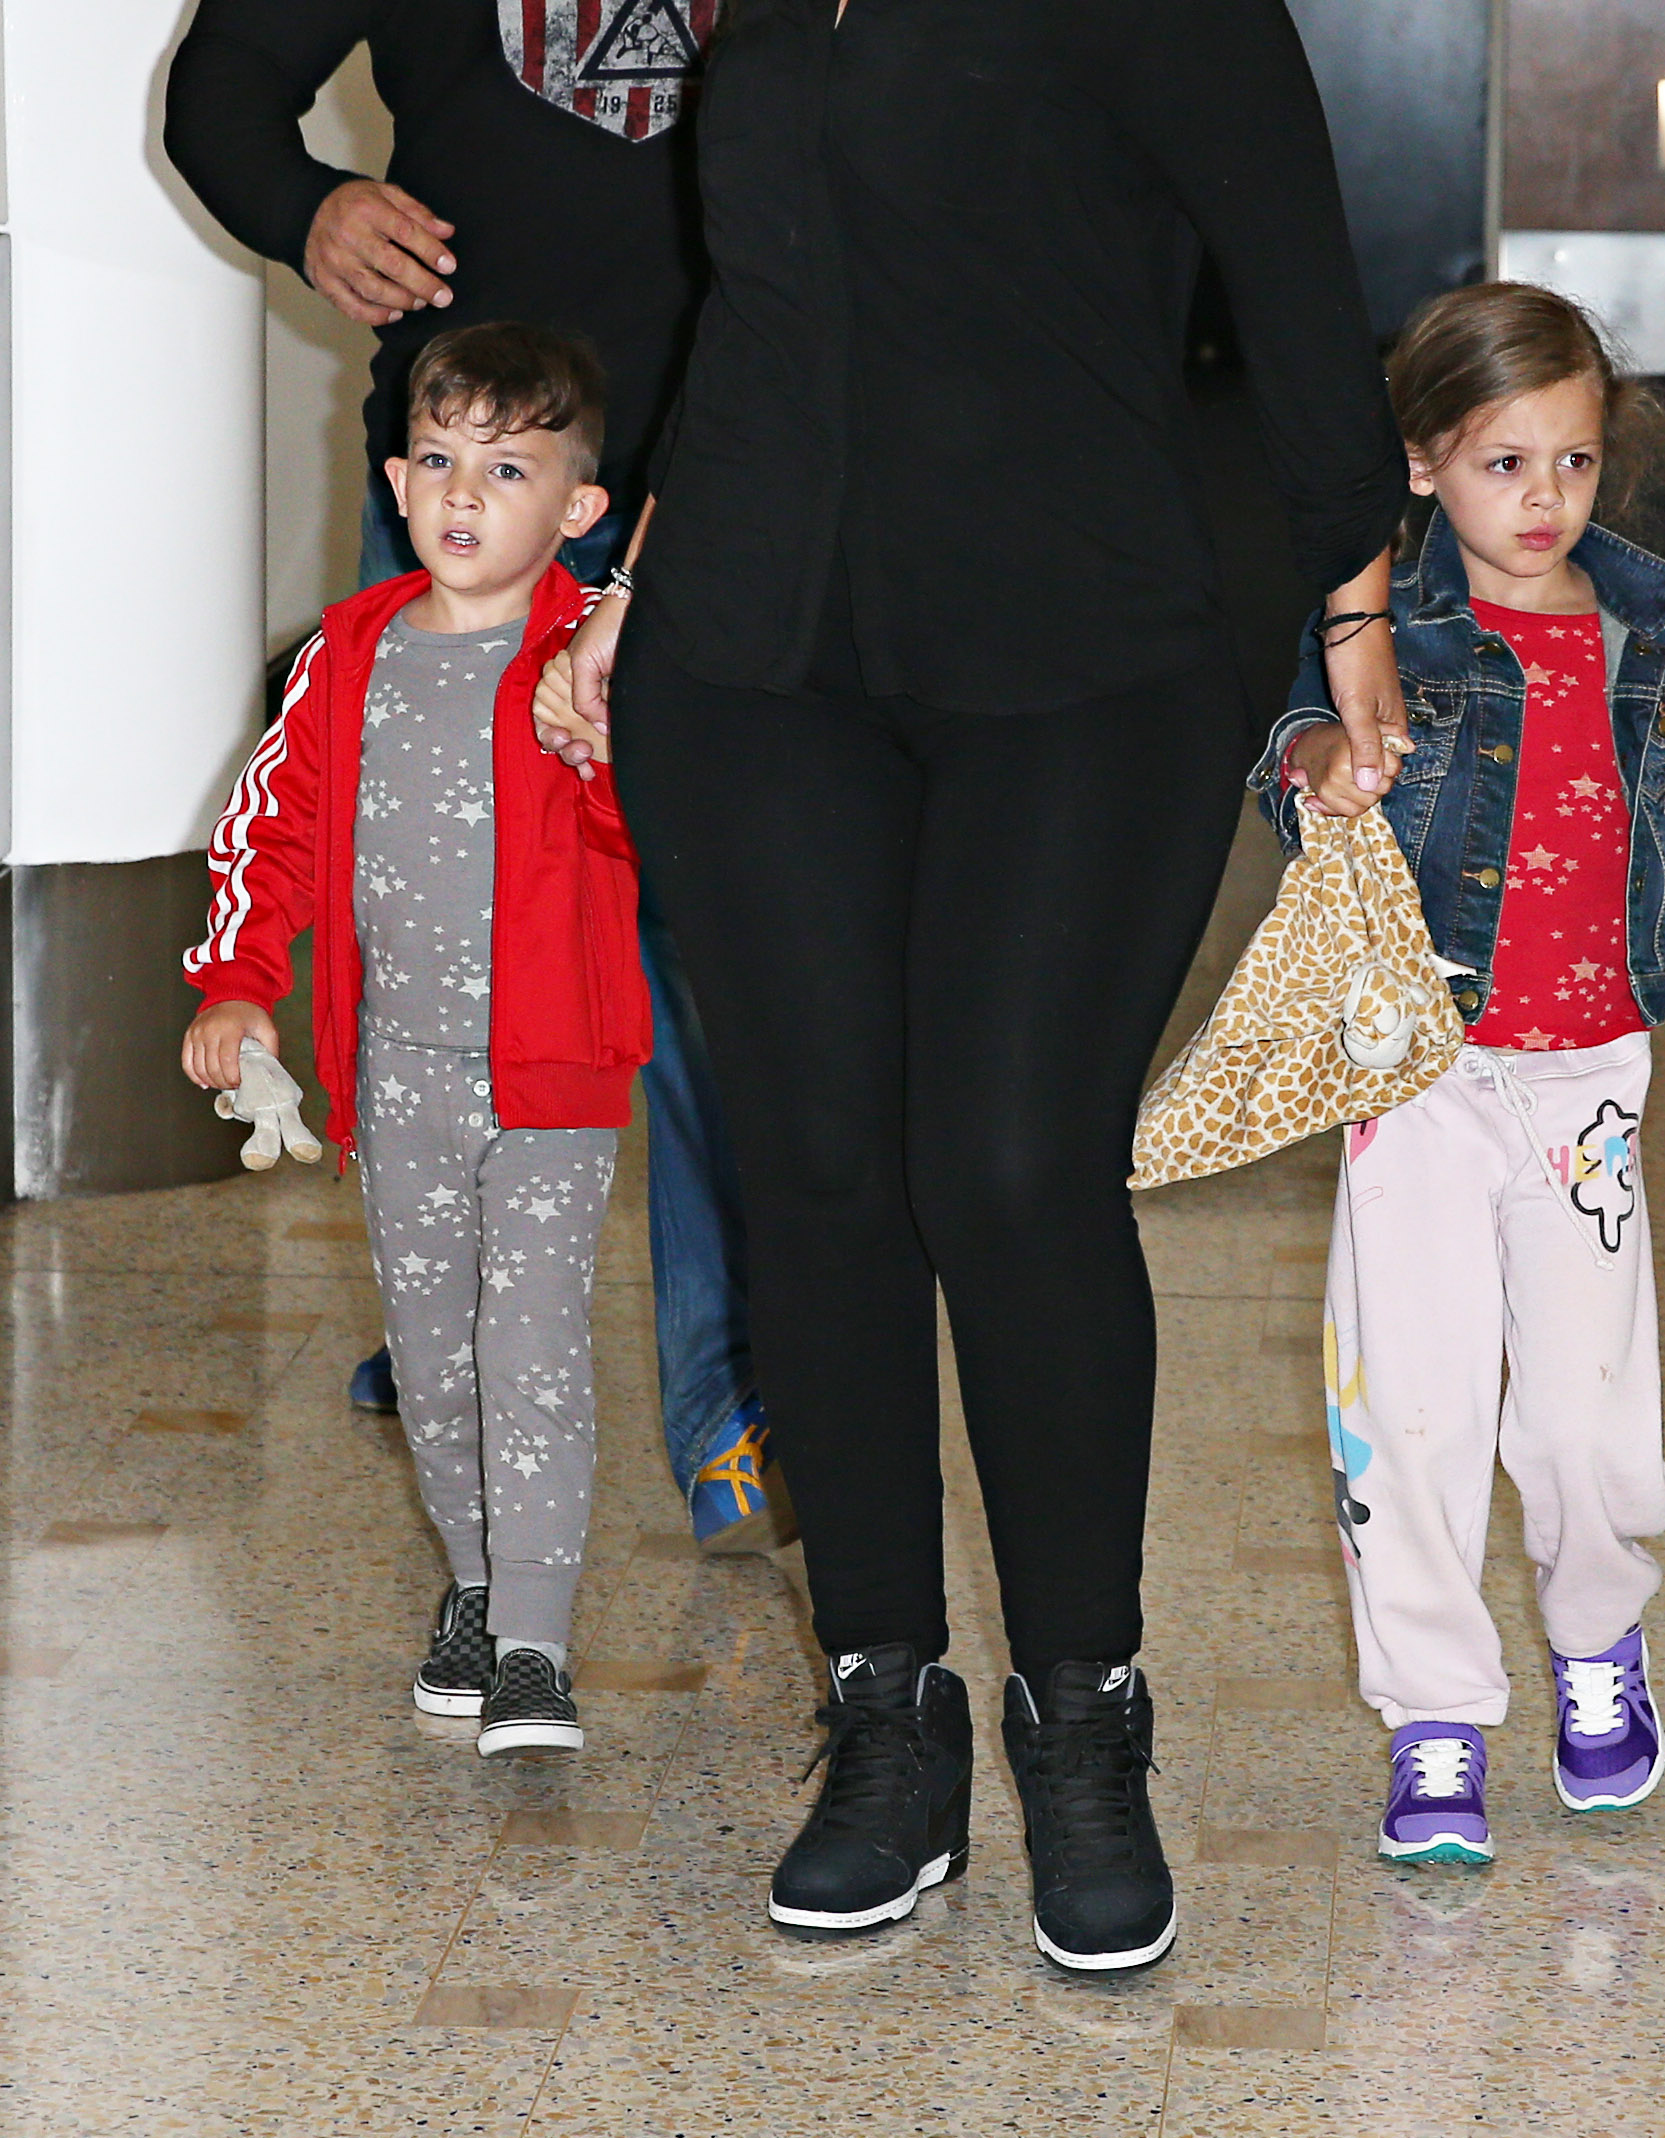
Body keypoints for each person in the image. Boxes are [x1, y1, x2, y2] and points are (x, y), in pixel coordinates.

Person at [536, 0, 1410, 1971]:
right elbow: (755, 289)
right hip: (760, 654)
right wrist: (638, 580)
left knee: (1009, 1169)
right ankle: (887, 1710)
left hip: (1084, 643)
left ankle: (1082, 1718)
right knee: (825, 1172)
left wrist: (1352, 602)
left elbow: (1292, 272)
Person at [162, 0, 789, 1554]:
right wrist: (308, 208)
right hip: (470, 508)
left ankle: (733, 1405)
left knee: (713, 955)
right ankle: (454, 1310)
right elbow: (221, 87)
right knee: (446, 932)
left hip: (740, 476)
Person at [1258, 282, 1665, 1866]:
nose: (1544, 501)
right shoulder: (1388, 624)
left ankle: (1598, 1643)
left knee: (1590, 1424)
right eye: (1504, 464)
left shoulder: (1657, 633)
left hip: (1590, 1077)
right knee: (1415, 1405)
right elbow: (1294, 742)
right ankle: (1435, 1716)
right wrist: (1316, 766)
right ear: (1427, 462)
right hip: (1418, 1078)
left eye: (1573, 464)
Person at [181, 324, 652, 1757]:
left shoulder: (595, 658)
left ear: (579, 506)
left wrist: (611, 763)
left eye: (507, 468)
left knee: (530, 1347)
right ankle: (473, 1583)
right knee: (434, 1357)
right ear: (396, 475)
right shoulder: (350, 653)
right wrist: (239, 980)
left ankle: (534, 1642)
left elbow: (672, 846)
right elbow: (277, 831)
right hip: (398, 1073)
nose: (463, 494)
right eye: (440, 460)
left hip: (556, 1069)